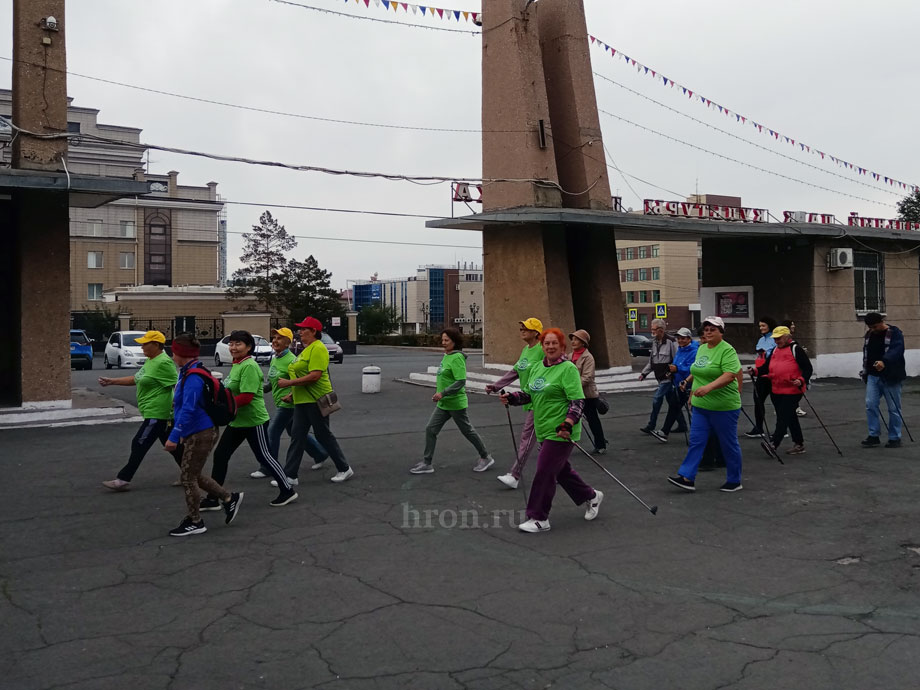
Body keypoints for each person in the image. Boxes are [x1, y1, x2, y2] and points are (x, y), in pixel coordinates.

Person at [500, 328, 603, 533]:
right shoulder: (538, 367)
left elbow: (577, 400)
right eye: (546, 343)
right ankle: (591, 496)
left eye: (554, 343)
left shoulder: (568, 369)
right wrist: (512, 398)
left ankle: (539, 518)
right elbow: (529, 394)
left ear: (561, 346)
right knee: (561, 470)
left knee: (545, 470)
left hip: (561, 431)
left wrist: (568, 423)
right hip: (543, 429)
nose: (550, 346)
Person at [205, 330, 298, 508]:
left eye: (238, 344)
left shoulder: (249, 366)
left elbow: (247, 397)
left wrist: (223, 407)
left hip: (254, 421)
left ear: (248, 347)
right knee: (221, 455)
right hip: (238, 421)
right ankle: (213, 497)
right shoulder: (237, 364)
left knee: (265, 457)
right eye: (231, 344)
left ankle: (287, 490)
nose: (233, 347)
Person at [165, 333, 242, 536]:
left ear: (181, 354)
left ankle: (195, 521)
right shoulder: (190, 371)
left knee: (188, 477)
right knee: (194, 474)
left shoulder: (193, 377)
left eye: (173, 352)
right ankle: (228, 498)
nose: (172, 357)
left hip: (201, 432)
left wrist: (174, 436)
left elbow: (189, 409)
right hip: (197, 430)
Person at [667, 316, 744, 493]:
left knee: (728, 443)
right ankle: (687, 477)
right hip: (701, 406)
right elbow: (698, 371)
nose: (708, 332)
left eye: (713, 329)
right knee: (696, 441)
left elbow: (730, 374)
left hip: (723, 407)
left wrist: (708, 388)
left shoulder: (727, 350)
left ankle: (734, 479)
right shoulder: (702, 349)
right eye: (706, 329)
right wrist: (691, 388)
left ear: (721, 332)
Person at [100, 330, 182, 491]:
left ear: (157, 345)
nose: (142, 346)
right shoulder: (151, 361)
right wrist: (112, 381)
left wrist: (177, 401)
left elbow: (178, 382)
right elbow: (137, 379)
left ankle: (123, 479)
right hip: (153, 411)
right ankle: (191, 475)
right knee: (174, 447)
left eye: (145, 343)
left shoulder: (163, 362)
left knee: (139, 443)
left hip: (158, 412)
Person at [278, 317, 354, 482]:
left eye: (304, 328)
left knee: (323, 435)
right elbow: (303, 374)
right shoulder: (307, 349)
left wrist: (288, 383)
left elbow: (314, 376)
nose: (300, 331)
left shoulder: (318, 348)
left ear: (313, 331)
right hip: (302, 401)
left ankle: (344, 468)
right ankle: (290, 476)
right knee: (297, 437)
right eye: (300, 328)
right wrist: (292, 394)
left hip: (315, 401)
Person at [410, 327, 495, 474]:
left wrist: (442, 393)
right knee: (431, 429)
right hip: (444, 404)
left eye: (446, 340)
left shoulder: (457, 358)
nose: (443, 343)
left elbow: (460, 381)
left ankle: (485, 457)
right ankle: (427, 463)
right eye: (442, 340)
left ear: (454, 342)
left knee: (467, 431)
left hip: (455, 403)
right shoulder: (447, 356)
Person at [256, 327, 328, 481]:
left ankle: (268, 467)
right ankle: (320, 453)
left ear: (288, 342)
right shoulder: (275, 358)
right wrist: (258, 389)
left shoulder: (291, 360)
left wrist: (291, 395)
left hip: (290, 404)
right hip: (280, 401)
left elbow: (301, 381)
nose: (275, 340)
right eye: (274, 337)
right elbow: (273, 381)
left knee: (272, 431)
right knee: (295, 433)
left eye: (280, 338)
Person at [485, 318, 544, 488]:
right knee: (547, 442)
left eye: (526, 328)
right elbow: (515, 371)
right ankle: (556, 472)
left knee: (528, 437)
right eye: (521, 328)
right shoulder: (526, 350)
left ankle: (515, 475)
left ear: (536, 332)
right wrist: (496, 386)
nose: (522, 330)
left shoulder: (542, 349)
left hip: (539, 401)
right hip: (528, 398)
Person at [759, 326, 813, 455]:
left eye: (779, 338)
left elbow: (808, 369)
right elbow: (766, 367)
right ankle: (799, 443)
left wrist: (801, 380)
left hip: (793, 390)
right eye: (775, 338)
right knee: (789, 416)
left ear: (787, 336)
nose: (777, 341)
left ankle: (773, 444)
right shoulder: (775, 350)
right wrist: (755, 371)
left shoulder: (796, 349)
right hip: (776, 389)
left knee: (782, 416)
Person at [860, 312, 907, 449]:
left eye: (875, 326)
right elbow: (867, 353)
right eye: (870, 327)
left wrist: (884, 361)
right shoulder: (869, 335)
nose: (873, 329)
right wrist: (866, 370)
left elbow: (897, 350)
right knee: (870, 404)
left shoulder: (894, 333)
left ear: (881, 322)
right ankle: (874, 435)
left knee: (893, 408)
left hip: (890, 376)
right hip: (873, 376)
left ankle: (895, 437)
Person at [652, 327, 698, 442]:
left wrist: (677, 369)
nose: (680, 340)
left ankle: (698, 434)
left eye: (683, 338)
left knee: (694, 410)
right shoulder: (680, 350)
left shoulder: (694, 351)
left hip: (690, 385)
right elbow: (676, 365)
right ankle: (665, 432)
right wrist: (672, 372)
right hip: (679, 384)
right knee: (674, 407)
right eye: (679, 338)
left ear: (689, 338)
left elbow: (693, 369)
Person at [638, 319, 680, 436]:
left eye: (653, 329)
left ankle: (651, 425)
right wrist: (644, 373)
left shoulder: (671, 341)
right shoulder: (654, 342)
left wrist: (674, 372)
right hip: (659, 377)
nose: (652, 332)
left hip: (668, 378)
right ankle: (682, 424)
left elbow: (677, 359)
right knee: (673, 403)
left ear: (660, 330)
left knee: (657, 399)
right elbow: (652, 361)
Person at [569, 329, 608, 454]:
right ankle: (559, 444)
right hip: (572, 392)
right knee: (567, 417)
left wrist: (572, 386)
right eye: (572, 339)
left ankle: (600, 444)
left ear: (583, 342)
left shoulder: (588, 357)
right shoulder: (570, 356)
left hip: (587, 394)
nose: (573, 341)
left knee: (592, 419)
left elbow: (587, 377)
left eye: (576, 339)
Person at [745, 317, 777, 437]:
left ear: (770, 325)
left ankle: (781, 429)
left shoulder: (775, 339)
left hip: (772, 375)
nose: (761, 328)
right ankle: (759, 428)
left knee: (777, 403)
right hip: (760, 375)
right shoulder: (760, 340)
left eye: (763, 326)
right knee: (758, 401)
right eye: (760, 326)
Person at [782, 320, 808, 417]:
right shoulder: (780, 345)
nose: (794, 326)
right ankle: (791, 408)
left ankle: (792, 408)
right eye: (791, 324)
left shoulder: (793, 344)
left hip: (795, 373)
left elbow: (807, 367)